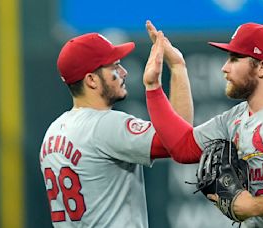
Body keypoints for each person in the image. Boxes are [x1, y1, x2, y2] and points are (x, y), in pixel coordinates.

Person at [144, 22, 263, 227]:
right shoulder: (235, 118)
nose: (225, 68)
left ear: (262, 67)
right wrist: (158, 82)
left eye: (235, 59)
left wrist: (252, 206)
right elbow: (182, 147)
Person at [39, 21, 193, 227]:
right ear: (92, 80)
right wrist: (177, 68)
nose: (123, 72)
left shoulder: (53, 132)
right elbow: (180, 140)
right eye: (114, 66)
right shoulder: (105, 125)